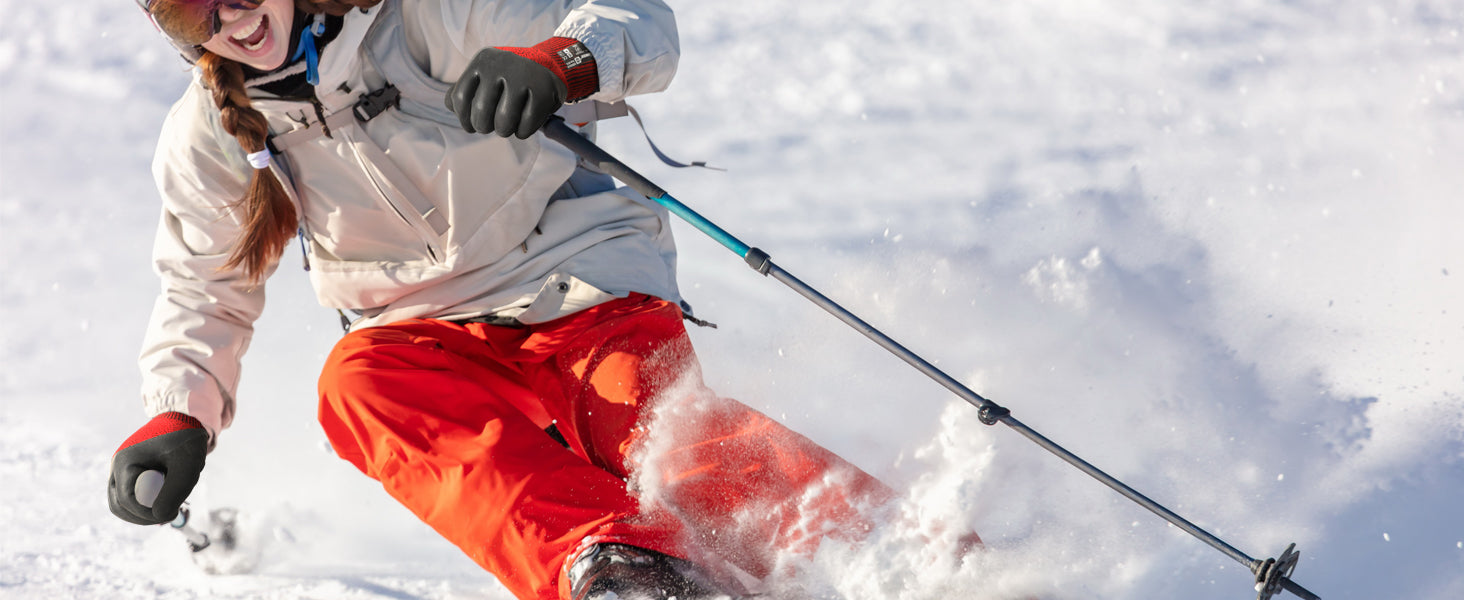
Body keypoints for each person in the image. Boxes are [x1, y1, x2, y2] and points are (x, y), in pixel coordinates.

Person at [106, 2, 897, 599]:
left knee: (649, 428)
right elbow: (201, 285)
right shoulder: (210, 133)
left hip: (577, 277)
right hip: (420, 330)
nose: (232, 18)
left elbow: (637, 22)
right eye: (190, 8)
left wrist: (559, 62)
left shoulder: (420, 20)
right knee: (356, 386)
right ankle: (620, 563)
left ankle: (892, 552)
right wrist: (179, 412)